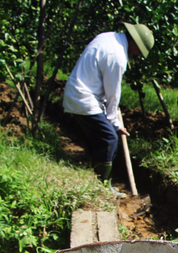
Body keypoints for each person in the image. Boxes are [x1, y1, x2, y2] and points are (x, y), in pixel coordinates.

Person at [63, 23, 154, 198]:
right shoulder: (117, 56)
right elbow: (113, 92)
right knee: (109, 138)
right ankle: (103, 187)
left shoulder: (109, 37)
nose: (137, 55)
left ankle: (96, 179)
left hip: (79, 94)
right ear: (135, 43)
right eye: (139, 51)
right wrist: (114, 122)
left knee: (98, 139)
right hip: (83, 98)